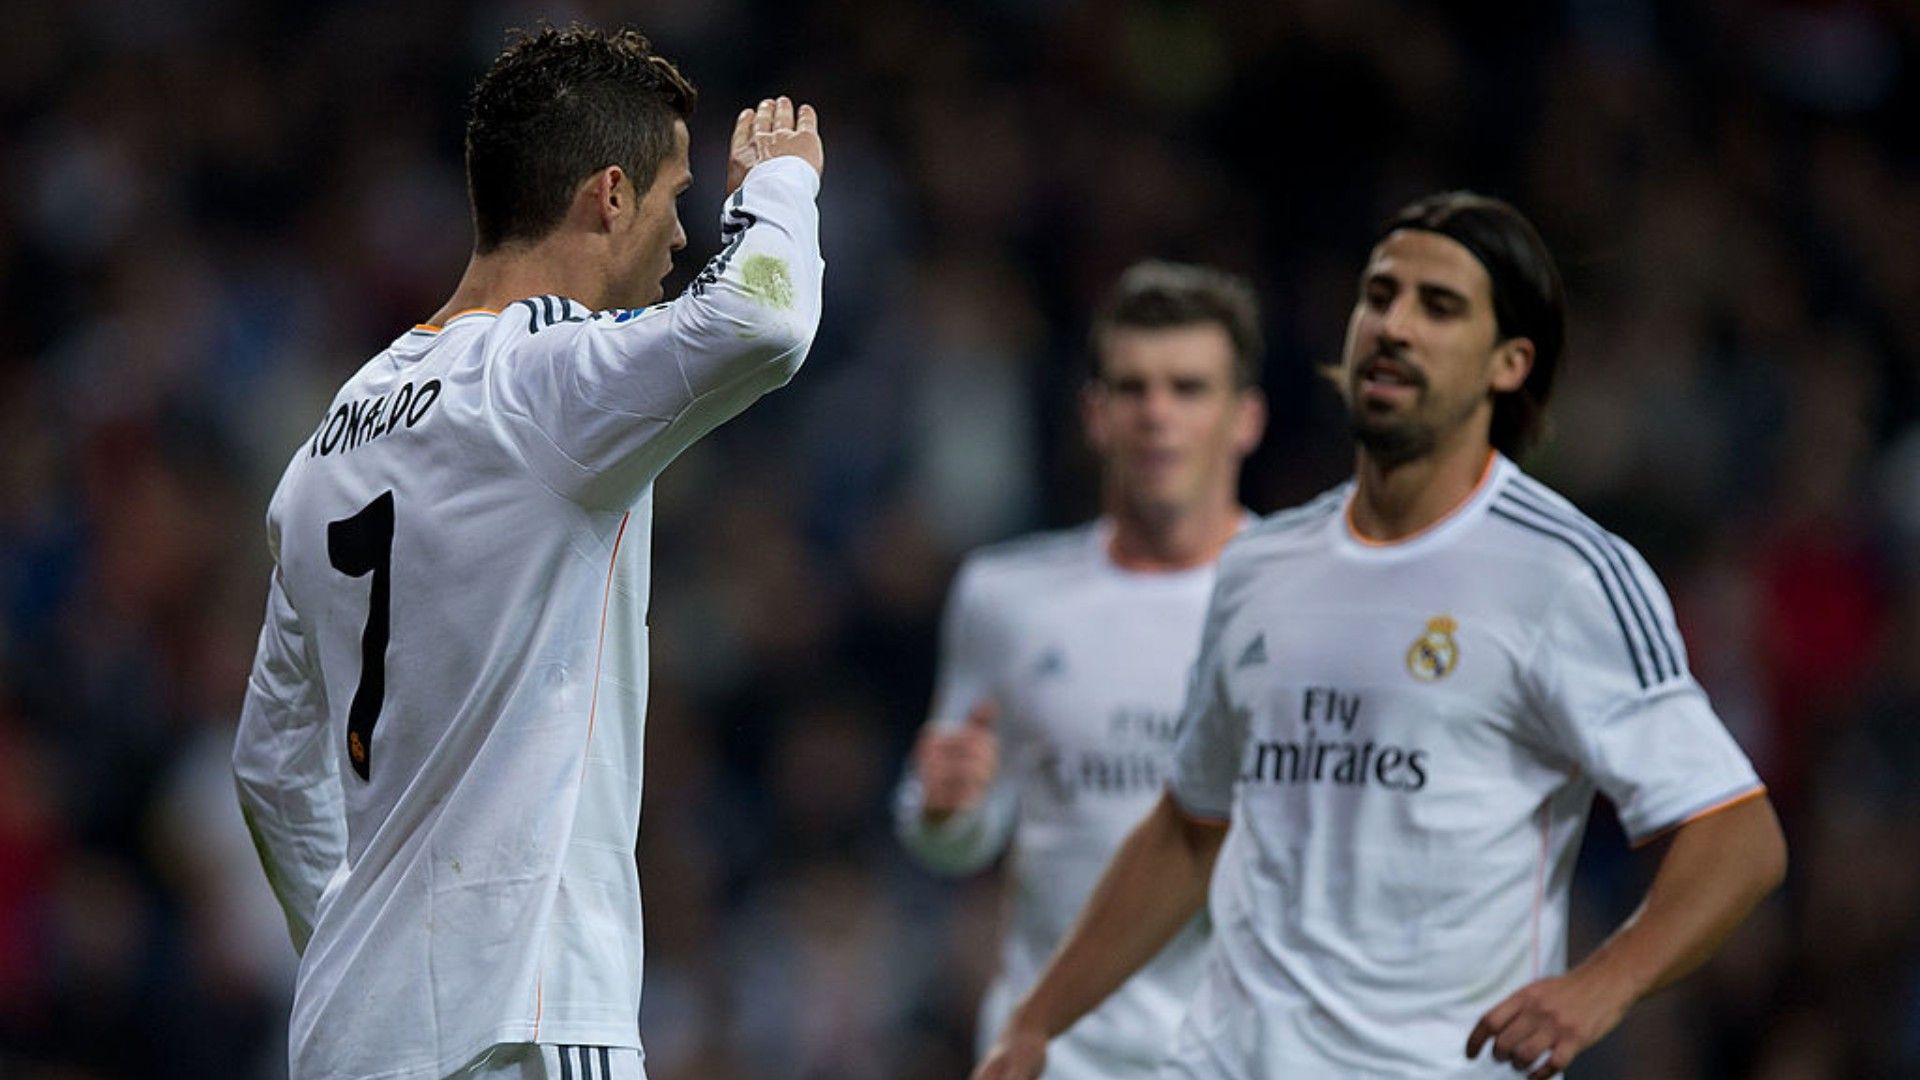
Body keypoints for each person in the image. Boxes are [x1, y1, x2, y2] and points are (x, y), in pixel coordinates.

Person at [974, 192, 1787, 1080]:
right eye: (1380, 295)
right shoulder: (1261, 564)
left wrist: (1601, 984)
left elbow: (1737, 836)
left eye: (1438, 307)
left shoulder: (1567, 574)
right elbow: (1188, 830)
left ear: (1509, 363)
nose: (1393, 325)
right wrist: (1038, 1020)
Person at [231, 27, 824, 1080]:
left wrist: (352, 939)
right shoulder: (546, 380)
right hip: (524, 1014)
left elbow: (273, 770)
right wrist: (777, 190)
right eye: (677, 195)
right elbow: (762, 322)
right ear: (608, 195)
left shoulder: (327, 439)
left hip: (350, 1040)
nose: (684, 235)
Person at [896, 261, 1268, 1078]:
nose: (1158, 414)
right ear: (1096, 416)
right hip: (1059, 1054)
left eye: (1189, 387)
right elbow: (957, 830)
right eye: (1132, 389)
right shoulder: (1007, 596)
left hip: (1240, 1054)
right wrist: (944, 811)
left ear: (1246, 418)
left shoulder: (1301, 600)